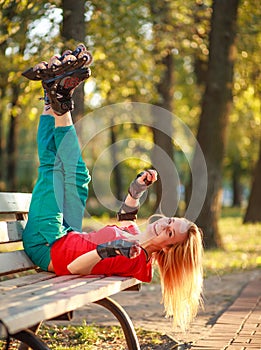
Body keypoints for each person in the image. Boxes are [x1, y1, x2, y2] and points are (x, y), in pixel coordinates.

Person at [22, 44, 204, 330]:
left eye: (169, 232)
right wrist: (135, 192)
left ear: (168, 250)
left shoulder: (136, 259)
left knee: (62, 171)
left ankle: (59, 98)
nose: (163, 225)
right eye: (170, 220)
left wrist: (106, 251)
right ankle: (52, 96)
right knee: (73, 176)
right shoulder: (139, 242)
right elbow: (127, 221)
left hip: (50, 246)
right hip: (66, 233)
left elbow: (73, 269)